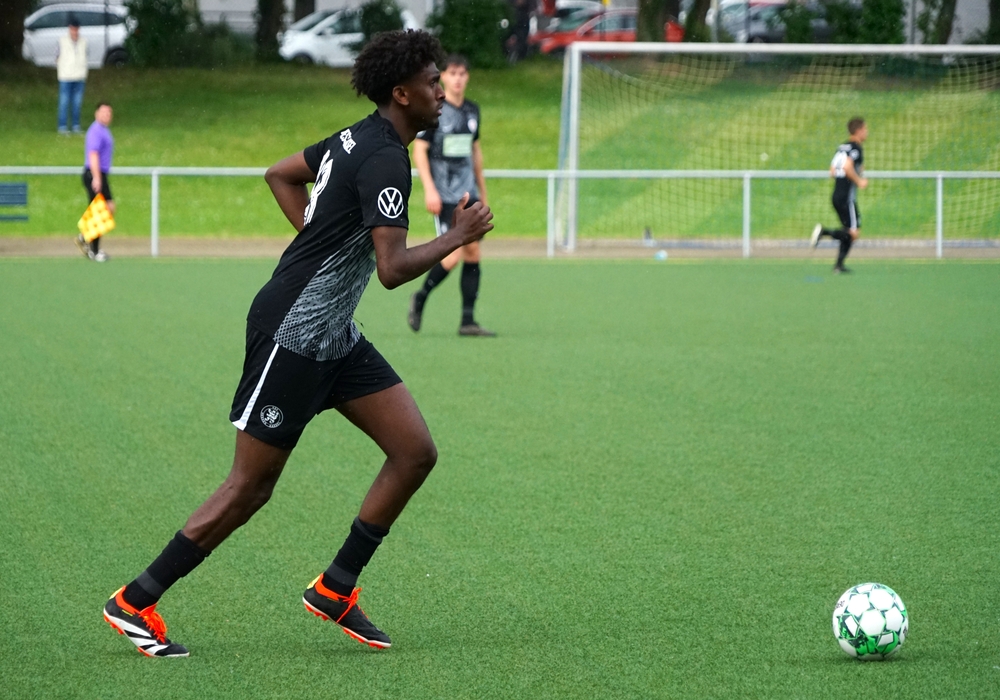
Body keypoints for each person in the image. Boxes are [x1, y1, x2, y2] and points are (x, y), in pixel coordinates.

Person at [101, 30, 493, 658]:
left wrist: (317, 238)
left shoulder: (357, 137)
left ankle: (335, 588)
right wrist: (457, 234)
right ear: (401, 93)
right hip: (291, 333)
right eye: (430, 82)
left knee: (414, 452)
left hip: (333, 333)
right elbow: (391, 269)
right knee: (250, 487)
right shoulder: (384, 158)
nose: (441, 92)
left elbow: (279, 174)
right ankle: (134, 602)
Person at [407, 54, 495, 337]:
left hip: (470, 194)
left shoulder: (472, 110)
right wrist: (429, 190)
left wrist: (483, 191)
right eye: (452, 73)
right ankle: (421, 296)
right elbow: (419, 151)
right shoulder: (434, 109)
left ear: (467, 77)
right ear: (443, 76)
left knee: (473, 251)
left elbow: (475, 151)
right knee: (454, 253)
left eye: (462, 74)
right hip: (445, 197)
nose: (457, 79)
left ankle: (468, 321)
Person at [810, 117, 868, 274]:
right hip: (847, 198)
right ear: (858, 131)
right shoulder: (856, 148)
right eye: (865, 129)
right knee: (853, 233)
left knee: (847, 231)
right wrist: (859, 181)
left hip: (836, 195)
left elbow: (832, 170)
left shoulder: (842, 147)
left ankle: (839, 266)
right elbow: (847, 167)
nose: (867, 132)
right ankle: (824, 232)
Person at [77, 103, 114, 262]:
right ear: (96, 113)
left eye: (109, 113)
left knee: (107, 208)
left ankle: (84, 238)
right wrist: (96, 177)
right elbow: (93, 154)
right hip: (94, 173)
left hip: (101, 173)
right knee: (100, 210)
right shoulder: (96, 131)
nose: (107, 115)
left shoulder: (104, 130)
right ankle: (94, 250)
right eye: (103, 112)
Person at [56, 17, 88, 135]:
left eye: (76, 29)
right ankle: (62, 126)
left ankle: (75, 126)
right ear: (69, 28)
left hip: (79, 76)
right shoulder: (61, 41)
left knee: (77, 102)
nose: (74, 31)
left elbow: (86, 55)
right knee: (64, 102)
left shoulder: (84, 41)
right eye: (72, 29)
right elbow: (56, 56)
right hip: (65, 76)